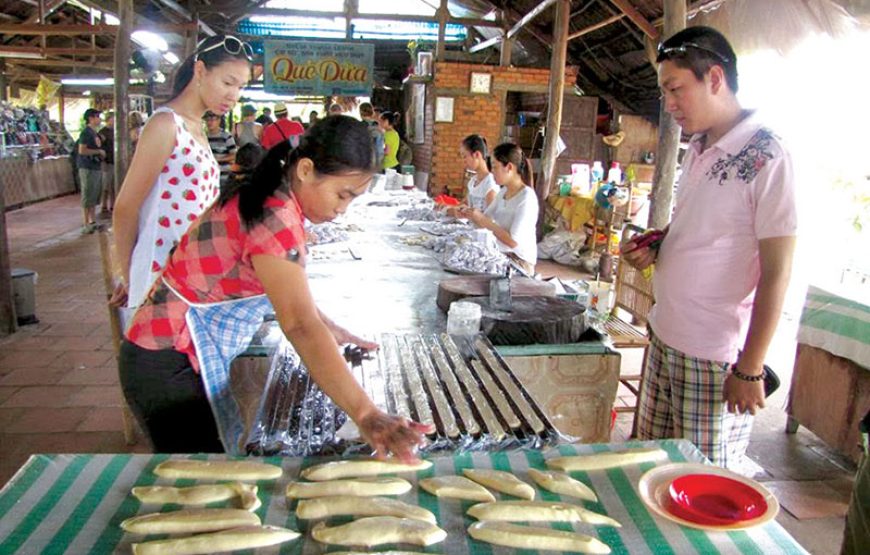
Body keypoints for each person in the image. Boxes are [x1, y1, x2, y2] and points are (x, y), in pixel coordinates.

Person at [119, 115, 435, 457]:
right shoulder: (275, 217)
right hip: (166, 359)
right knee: (194, 480)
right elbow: (298, 323)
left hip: (166, 352)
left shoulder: (271, 193)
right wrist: (367, 413)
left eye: (352, 200)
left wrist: (332, 329)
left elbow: (290, 298)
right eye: (341, 194)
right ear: (305, 170)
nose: (342, 210)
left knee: (204, 470)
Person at [621, 26, 797, 470]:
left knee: (701, 481)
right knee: (653, 468)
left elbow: (778, 270)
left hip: (714, 358)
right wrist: (661, 245)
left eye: (676, 89)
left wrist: (750, 367)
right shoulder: (698, 146)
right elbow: (711, 231)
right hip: (665, 337)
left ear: (715, 78)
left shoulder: (768, 155)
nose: (670, 104)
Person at [112, 34, 253, 312]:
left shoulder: (197, 127)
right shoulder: (166, 125)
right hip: (160, 282)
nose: (234, 96)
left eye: (241, 87)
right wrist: (130, 276)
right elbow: (125, 208)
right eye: (227, 82)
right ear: (200, 70)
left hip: (192, 278)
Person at [458, 142, 538, 275]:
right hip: (501, 253)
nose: (492, 171)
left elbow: (513, 242)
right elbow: (485, 218)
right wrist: (469, 214)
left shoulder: (526, 198)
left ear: (509, 167)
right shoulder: (503, 192)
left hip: (519, 262)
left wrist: (482, 220)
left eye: (495, 167)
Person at [77, 108, 105, 234]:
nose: (99, 119)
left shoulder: (95, 133)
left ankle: (92, 220)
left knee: (94, 193)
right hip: (87, 166)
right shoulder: (86, 133)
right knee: (87, 193)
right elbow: (82, 150)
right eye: (97, 117)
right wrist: (98, 152)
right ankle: (85, 222)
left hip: (95, 166)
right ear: (91, 118)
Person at [459, 134, 497, 211]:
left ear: (477, 155)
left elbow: (491, 219)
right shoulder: (473, 181)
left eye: (465, 156)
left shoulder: (490, 184)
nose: (464, 161)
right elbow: (465, 204)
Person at [205, 111, 237, 191]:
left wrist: (218, 159)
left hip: (223, 176)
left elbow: (234, 154)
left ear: (219, 121)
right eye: (207, 119)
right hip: (208, 176)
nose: (210, 122)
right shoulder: (203, 136)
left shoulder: (226, 136)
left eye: (212, 119)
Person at [98, 111, 116, 215]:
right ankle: (104, 204)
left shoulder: (116, 131)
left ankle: (113, 204)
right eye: (112, 119)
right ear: (108, 120)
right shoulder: (102, 132)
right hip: (106, 161)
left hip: (114, 160)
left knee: (113, 184)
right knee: (105, 185)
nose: (113, 121)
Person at [359, 102, 384, 170]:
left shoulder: (358, 127)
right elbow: (380, 147)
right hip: (377, 161)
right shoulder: (379, 127)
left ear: (361, 112)